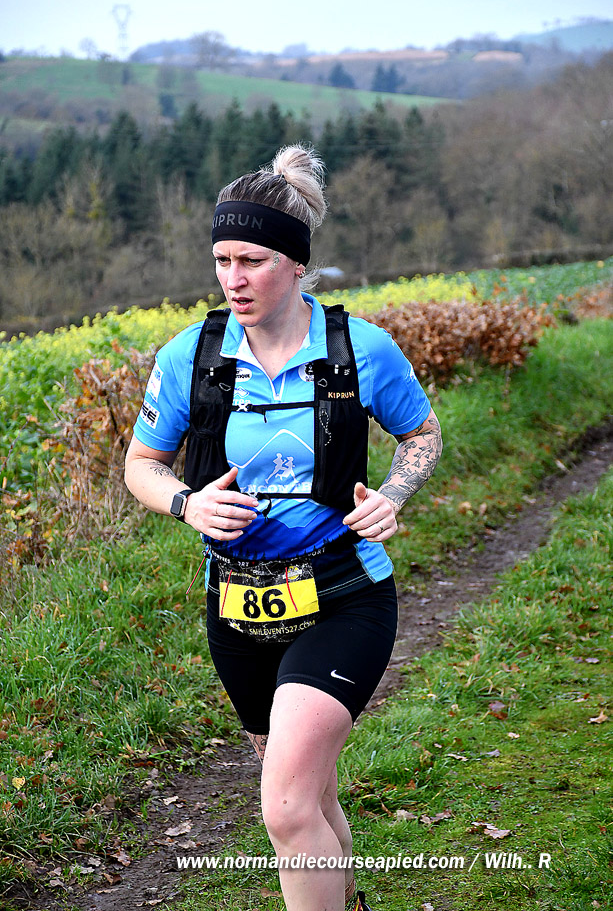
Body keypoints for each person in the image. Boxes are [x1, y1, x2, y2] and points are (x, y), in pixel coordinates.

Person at [124, 144, 442, 911]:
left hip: (342, 595)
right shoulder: (191, 357)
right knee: (311, 794)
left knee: (287, 806)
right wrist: (186, 504)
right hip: (236, 607)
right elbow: (141, 464)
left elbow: (422, 435)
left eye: (253, 260)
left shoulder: (359, 349)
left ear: (296, 263)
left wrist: (392, 494)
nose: (233, 278)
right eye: (222, 260)